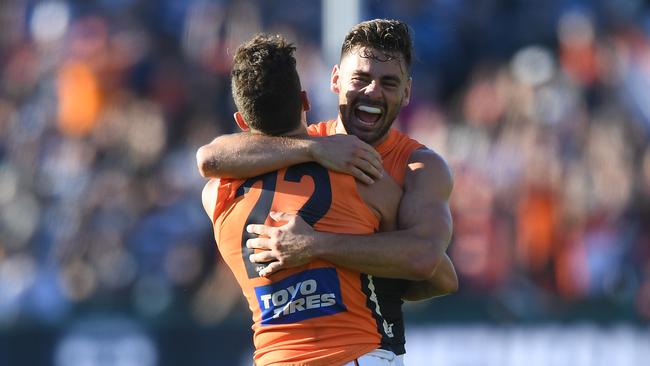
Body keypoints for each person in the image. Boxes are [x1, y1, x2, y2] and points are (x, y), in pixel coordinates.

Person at [197, 20, 457, 361]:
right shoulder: (337, 162)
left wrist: (315, 245)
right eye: (361, 79)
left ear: (407, 92)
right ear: (334, 80)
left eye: (388, 83)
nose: (373, 92)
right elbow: (209, 157)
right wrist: (312, 150)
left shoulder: (419, 166)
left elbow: (427, 262)